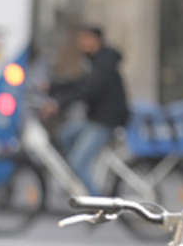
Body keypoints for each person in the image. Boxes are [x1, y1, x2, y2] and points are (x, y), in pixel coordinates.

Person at [42, 25, 130, 195]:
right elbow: (81, 83)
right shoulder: (96, 61)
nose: (82, 44)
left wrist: (58, 103)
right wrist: (52, 88)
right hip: (95, 117)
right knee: (64, 135)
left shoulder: (105, 64)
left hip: (106, 121)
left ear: (96, 40)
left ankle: (98, 206)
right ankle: (79, 182)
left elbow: (88, 90)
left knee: (78, 162)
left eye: (85, 39)